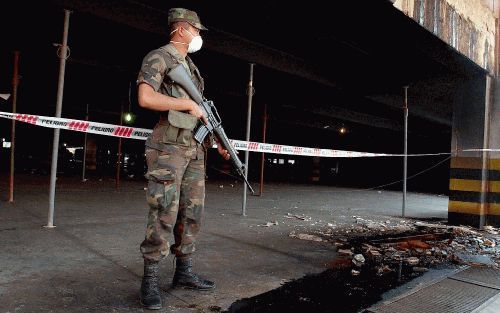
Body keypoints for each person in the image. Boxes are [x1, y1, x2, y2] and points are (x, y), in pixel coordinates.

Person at [136, 8, 230, 310]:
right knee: (164, 210)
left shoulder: (189, 66)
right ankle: (149, 280)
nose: (198, 36)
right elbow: (146, 98)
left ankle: (184, 273)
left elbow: (200, 115)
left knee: (192, 213)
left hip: (194, 150)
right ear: (180, 29)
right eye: (196, 30)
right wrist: (186, 103)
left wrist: (217, 142)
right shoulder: (159, 57)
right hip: (168, 148)